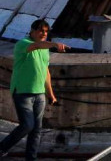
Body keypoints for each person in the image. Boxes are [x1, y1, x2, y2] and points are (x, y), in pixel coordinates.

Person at [0, 19, 68, 161]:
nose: (43, 33)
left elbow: (45, 72)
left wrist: (51, 94)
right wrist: (55, 44)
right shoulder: (23, 44)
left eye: (45, 31)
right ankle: (2, 148)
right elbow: (36, 45)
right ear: (32, 31)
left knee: (36, 129)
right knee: (27, 125)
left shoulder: (44, 49)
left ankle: (31, 158)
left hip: (39, 94)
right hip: (23, 92)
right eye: (40, 31)